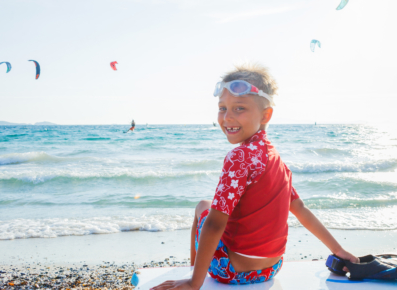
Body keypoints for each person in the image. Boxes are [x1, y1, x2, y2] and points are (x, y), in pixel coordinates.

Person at [151, 64, 359, 290]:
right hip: (271, 268)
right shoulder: (272, 155)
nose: (227, 117)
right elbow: (299, 208)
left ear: (266, 114)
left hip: (231, 272)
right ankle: (194, 274)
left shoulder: (239, 157)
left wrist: (194, 285)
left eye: (239, 108)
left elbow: (214, 224)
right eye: (222, 108)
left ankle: (192, 275)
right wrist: (338, 251)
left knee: (203, 207)